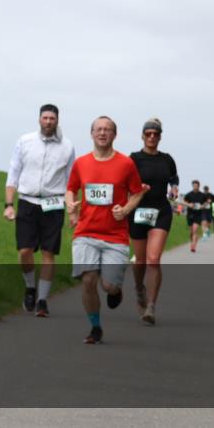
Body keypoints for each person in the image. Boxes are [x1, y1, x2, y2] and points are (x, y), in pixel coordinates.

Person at [66, 116, 146, 344]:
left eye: (107, 130)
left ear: (114, 135)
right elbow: (70, 189)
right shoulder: (81, 163)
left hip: (115, 236)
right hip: (86, 232)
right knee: (89, 280)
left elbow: (138, 191)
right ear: (91, 133)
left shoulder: (126, 164)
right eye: (98, 129)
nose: (102, 133)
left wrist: (127, 208)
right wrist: (70, 207)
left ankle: (115, 290)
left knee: (108, 286)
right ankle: (95, 327)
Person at [4, 104, 76, 317]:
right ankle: (30, 287)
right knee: (25, 251)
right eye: (45, 118)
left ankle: (43, 300)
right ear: (39, 120)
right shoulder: (25, 142)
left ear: (57, 121)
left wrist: (72, 210)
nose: (48, 122)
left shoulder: (67, 146)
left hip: (53, 204)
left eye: (52, 118)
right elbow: (13, 174)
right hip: (27, 201)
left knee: (48, 253)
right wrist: (8, 205)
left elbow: (71, 180)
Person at [128, 118, 179, 325]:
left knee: (153, 259)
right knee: (140, 261)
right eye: (148, 133)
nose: (151, 137)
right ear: (142, 135)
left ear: (160, 137)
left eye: (155, 134)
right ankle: (139, 287)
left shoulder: (167, 159)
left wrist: (174, 188)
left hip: (161, 211)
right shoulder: (133, 158)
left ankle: (151, 306)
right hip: (139, 211)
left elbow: (174, 177)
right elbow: (125, 180)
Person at [183, 180, 207, 252]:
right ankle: (193, 241)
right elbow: (183, 201)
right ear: (192, 186)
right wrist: (189, 204)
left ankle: (193, 246)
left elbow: (206, 202)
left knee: (195, 230)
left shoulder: (202, 195)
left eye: (196, 185)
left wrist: (203, 206)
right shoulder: (189, 194)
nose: (195, 186)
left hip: (198, 214)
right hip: (190, 214)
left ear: (198, 186)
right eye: (194, 185)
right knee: (191, 232)